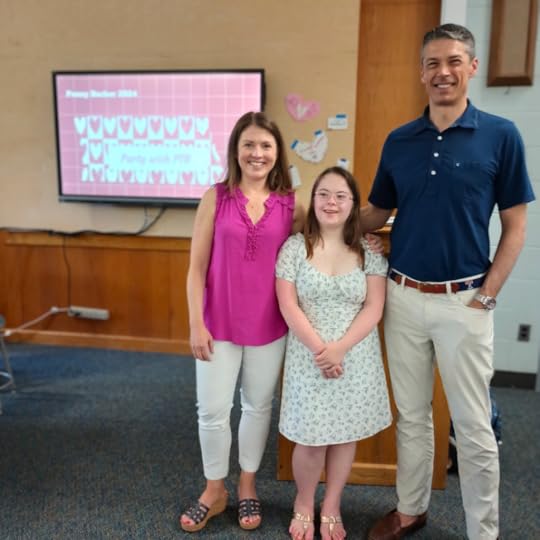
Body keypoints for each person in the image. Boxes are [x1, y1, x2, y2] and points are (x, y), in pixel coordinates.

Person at [363, 24, 535, 540]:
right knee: (412, 417)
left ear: (472, 68)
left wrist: (488, 295)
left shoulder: (501, 135)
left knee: (474, 427)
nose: (443, 72)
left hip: (465, 302)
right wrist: (323, 219)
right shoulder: (400, 140)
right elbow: (377, 212)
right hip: (402, 296)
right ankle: (410, 510)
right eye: (434, 63)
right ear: (421, 73)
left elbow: (516, 226)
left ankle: (484, 532)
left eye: (455, 61)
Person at [179, 111, 305, 532]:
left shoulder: (292, 203)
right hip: (218, 323)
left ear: (277, 153)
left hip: (270, 324)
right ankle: (215, 488)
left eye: (266, 146)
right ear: (236, 150)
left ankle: (247, 484)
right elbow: (196, 269)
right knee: (212, 411)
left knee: (257, 407)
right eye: (249, 144)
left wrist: (368, 237)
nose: (257, 153)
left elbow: (325, 239)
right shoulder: (215, 197)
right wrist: (196, 323)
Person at [276, 166, 392, 540]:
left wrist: (340, 349)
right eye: (324, 194)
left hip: (354, 355)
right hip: (308, 355)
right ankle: (304, 502)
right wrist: (320, 351)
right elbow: (288, 305)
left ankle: (332, 505)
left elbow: (374, 308)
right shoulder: (295, 247)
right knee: (310, 439)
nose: (331, 202)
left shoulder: (369, 249)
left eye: (341, 196)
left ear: (354, 205)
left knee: (344, 436)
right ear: (313, 200)